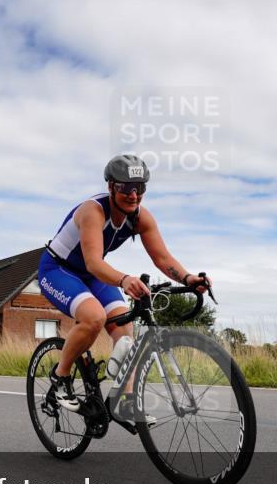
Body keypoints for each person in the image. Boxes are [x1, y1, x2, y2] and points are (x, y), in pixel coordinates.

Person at [39, 154, 210, 422]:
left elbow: (162, 259)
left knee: (124, 328)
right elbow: (94, 263)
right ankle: (60, 377)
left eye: (139, 188)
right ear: (110, 187)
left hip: (91, 275)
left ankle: (126, 402)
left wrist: (188, 279)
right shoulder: (92, 211)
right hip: (58, 270)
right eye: (125, 187)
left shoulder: (141, 217)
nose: (133, 195)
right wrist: (124, 279)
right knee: (94, 317)